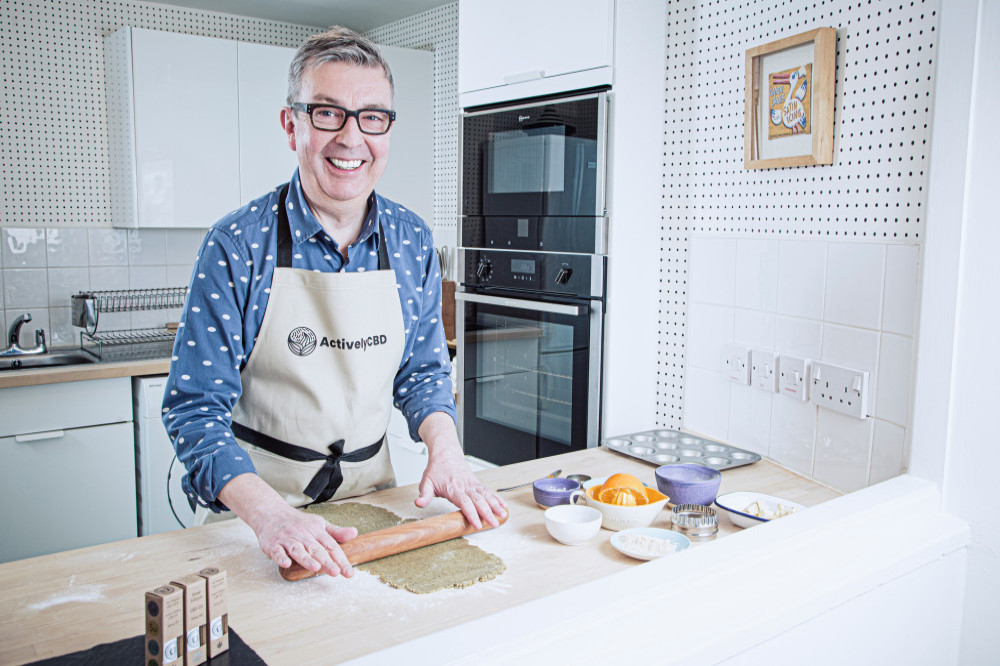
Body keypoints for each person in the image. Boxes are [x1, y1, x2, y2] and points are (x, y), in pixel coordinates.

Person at [162, 26, 506, 579]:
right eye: (327, 113)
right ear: (291, 124)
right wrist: (271, 518)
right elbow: (194, 412)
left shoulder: (410, 239)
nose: (351, 138)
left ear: (388, 129)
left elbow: (421, 372)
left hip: (374, 508)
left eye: (372, 117)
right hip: (258, 520)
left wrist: (446, 451)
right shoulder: (238, 244)